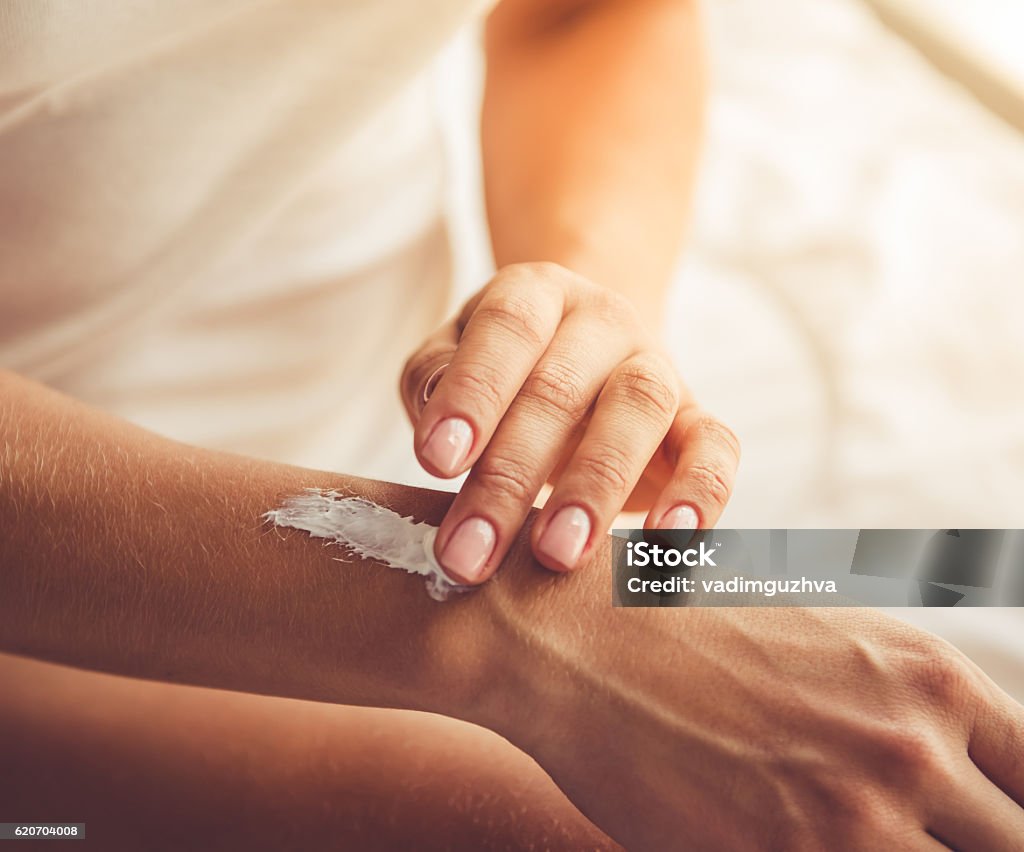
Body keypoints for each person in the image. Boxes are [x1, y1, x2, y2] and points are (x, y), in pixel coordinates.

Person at [1, 1, 1021, 849]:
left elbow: (579, 14)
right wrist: (504, 636)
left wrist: (581, 338)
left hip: (433, 462)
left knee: (979, 583)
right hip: (72, 595)